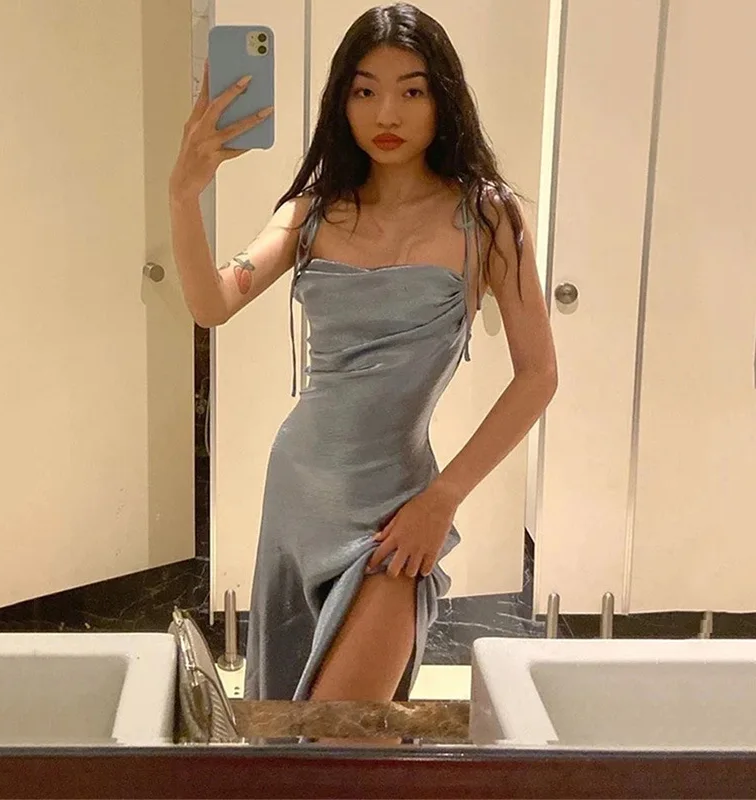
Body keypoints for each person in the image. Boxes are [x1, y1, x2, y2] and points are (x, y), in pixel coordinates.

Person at [169, 2, 557, 703]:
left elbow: (538, 376)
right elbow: (212, 304)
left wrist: (443, 500)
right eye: (365, 90)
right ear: (341, 102)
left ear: (444, 98)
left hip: (400, 511)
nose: (387, 112)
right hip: (299, 495)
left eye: (412, 90)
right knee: (296, 733)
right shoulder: (313, 212)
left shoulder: (487, 217)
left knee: (339, 728)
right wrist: (182, 195)